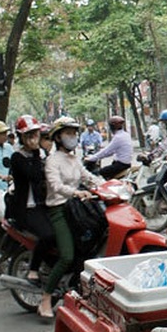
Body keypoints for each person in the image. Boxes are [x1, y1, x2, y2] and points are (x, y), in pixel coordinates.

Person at [41, 116, 101, 320]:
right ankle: (46, 298)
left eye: (74, 133)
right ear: (58, 137)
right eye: (68, 133)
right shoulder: (52, 160)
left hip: (76, 208)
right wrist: (76, 193)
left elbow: (87, 177)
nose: (73, 137)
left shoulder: (74, 158)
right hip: (59, 210)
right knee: (67, 256)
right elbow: (56, 186)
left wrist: (108, 184)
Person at [9, 115, 56, 289]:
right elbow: (35, 176)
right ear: (22, 136)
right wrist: (36, 152)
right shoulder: (17, 157)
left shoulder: (43, 154)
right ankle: (34, 270)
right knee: (48, 235)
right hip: (27, 209)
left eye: (35, 133)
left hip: (45, 204)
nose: (33, 138)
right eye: (29, 134)